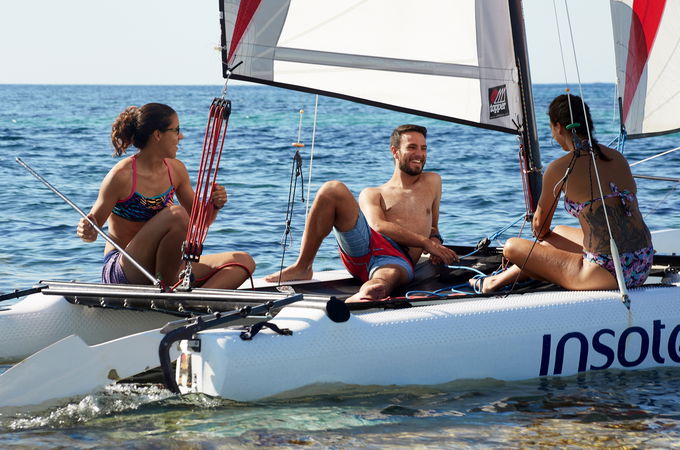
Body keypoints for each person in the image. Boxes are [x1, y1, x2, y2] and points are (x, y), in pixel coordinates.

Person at [472, 94, 653, 294]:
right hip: (642, 262)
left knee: (512, 247)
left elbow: (540, 230)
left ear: (558, 127)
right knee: (558, 232)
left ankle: (493, 282)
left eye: (551, 128)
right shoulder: (617, 157)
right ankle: (497, 280)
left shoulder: (559, 169)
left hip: (609, 272)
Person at [264, 124, 459, 302]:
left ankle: (367, 294)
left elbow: (433, 227)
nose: (419, 154)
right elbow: (377, 225)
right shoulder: (373, 193)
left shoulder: (432, 182)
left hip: (397, 259)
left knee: (385, 279)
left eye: (423, 148)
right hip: (364, 246)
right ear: (395, 151)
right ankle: (303, 266)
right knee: (332, 189)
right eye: (412, 147)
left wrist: (435, 242)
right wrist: (425, 243)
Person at [77, 102, 255, 289]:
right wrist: (85, 230)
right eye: (176, 130)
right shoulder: (121, 176)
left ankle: (189, 302)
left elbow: (201, 221)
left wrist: (215, 205)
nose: (181, 136)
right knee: (177, 215)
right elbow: (91, 233)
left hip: (163, 270)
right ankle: (168, 291)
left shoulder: (176, 170)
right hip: (124, 270)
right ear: (158, 135)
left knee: (243, 261)